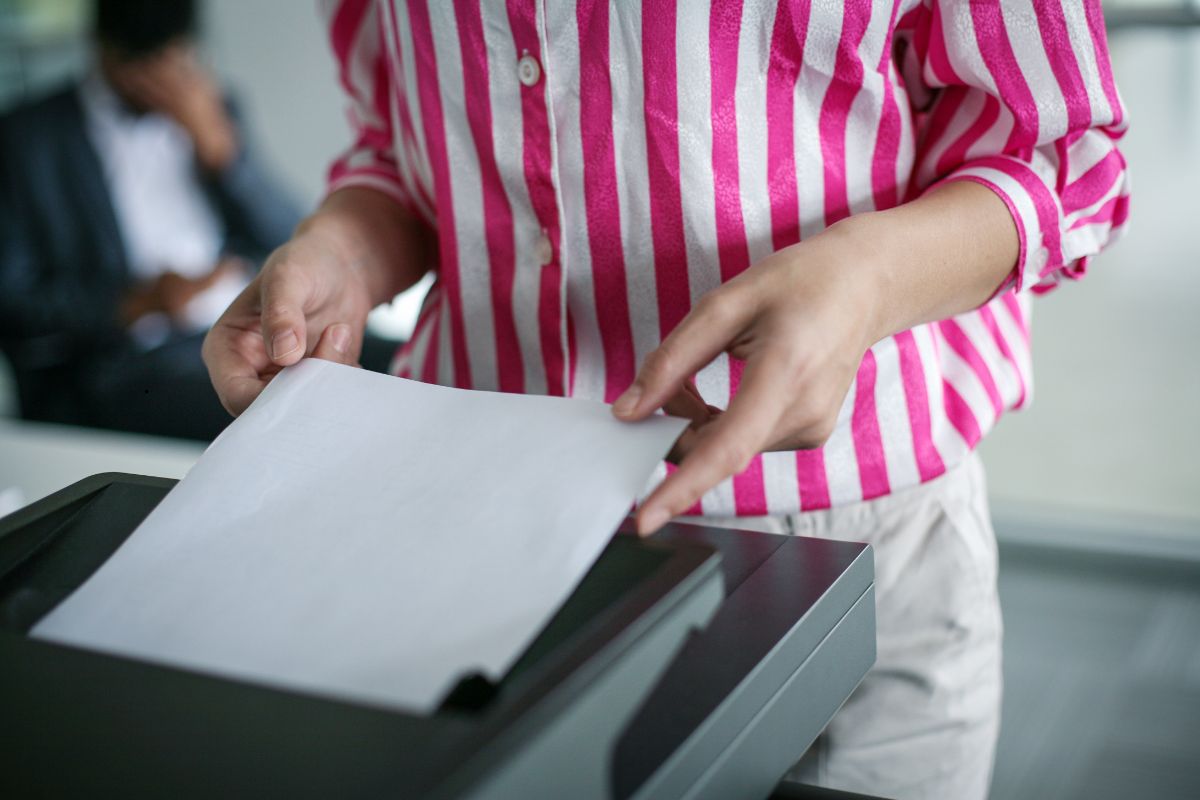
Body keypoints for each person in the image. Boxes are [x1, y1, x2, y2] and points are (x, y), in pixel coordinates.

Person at [203, 2, 1129, 797]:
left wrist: (865, 281)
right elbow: (406, 152)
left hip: (854, 542)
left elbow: (1065, 152)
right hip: (480, 544)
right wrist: (343, 256)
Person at [0, 0, 304, 440]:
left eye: (173, 60)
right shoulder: (26, 139)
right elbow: (12, 304)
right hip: (124, 367)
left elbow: (290, 237)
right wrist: (136, 303)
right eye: (142, 67)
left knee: (395, 365)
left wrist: (223, 155)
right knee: (282, 419)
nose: (161, 84)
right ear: (101, 49)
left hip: (242, 328)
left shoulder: (216, 107)